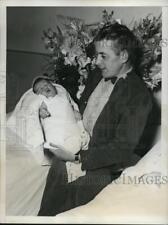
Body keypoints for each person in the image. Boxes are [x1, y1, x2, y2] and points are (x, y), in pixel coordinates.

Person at [38, 23, 153, 216]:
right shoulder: (96, 75)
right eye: (97, 54)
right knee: (57, 170)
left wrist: (77, 158)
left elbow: (121, 149)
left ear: (123, 56)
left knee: (85, 188)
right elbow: (78, 112)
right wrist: (50, 109)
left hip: (108, 165)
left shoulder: (139, 94)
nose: (97, 61)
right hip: (78, 147)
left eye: (103, 56)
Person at [32, 76, 90, 154]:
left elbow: (69, 105)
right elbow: (40, 109)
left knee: (78, 138)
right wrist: (42, 111)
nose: (45, 88)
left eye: (46, 84)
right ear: (39, 95)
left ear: (53, 86)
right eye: (41, 89)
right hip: (57, 131)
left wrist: (74, 111)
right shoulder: (44, 100)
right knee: (57, 147)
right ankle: (74, 158)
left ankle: (76, 153)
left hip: (71, 127)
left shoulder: (63, 96)